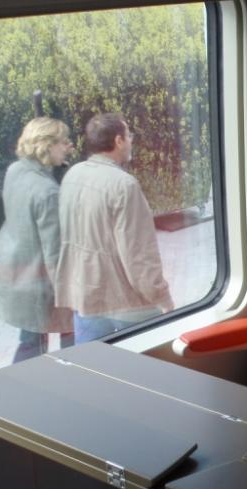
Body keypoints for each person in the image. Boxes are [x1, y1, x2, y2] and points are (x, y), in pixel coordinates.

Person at [55, 113, 174, 343]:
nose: (131, 141)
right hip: (127, 305)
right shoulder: (124, 186)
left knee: (91, 365)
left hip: (86, 299)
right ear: (118, 141)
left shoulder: (72, 175)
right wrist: (162, 297)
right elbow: (138, 255)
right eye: (129, 136)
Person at [0, 117, 75, 362]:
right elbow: (55, 253)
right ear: (47, 145)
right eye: (63, 142)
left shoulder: (16, 170)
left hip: (16, 275)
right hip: (39, 285)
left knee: (30, 341)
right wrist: (69, 295)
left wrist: (58, 167)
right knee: (68, 338)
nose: (68, 147)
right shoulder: (47, 193)